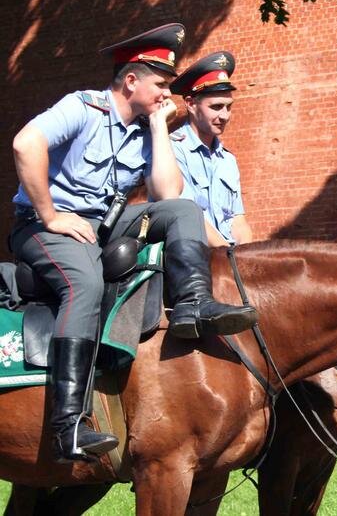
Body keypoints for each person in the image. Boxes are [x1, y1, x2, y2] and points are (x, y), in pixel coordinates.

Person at [10, 24, 257, 462]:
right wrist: (50, 214)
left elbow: (166, 192)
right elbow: (25, 143)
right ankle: (69, 425)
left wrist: (160, 129)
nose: (166, 93)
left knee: (183, 211)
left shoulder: (146, 129)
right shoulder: (83, 108)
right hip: (44, 227)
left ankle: (192, 306)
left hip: (102, 225)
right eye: (160, 85)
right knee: (84, 283)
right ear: (130, 81)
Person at [168, 51, 251, 246]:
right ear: (190, 104)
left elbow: (238, 221)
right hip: (190, 256)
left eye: (228, 107)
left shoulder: (227, 160)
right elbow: (189, 218)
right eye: (216, 107)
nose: (225, 115)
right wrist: (229, 257)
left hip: (226, 260)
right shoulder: (172, 149)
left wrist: (245, 255)